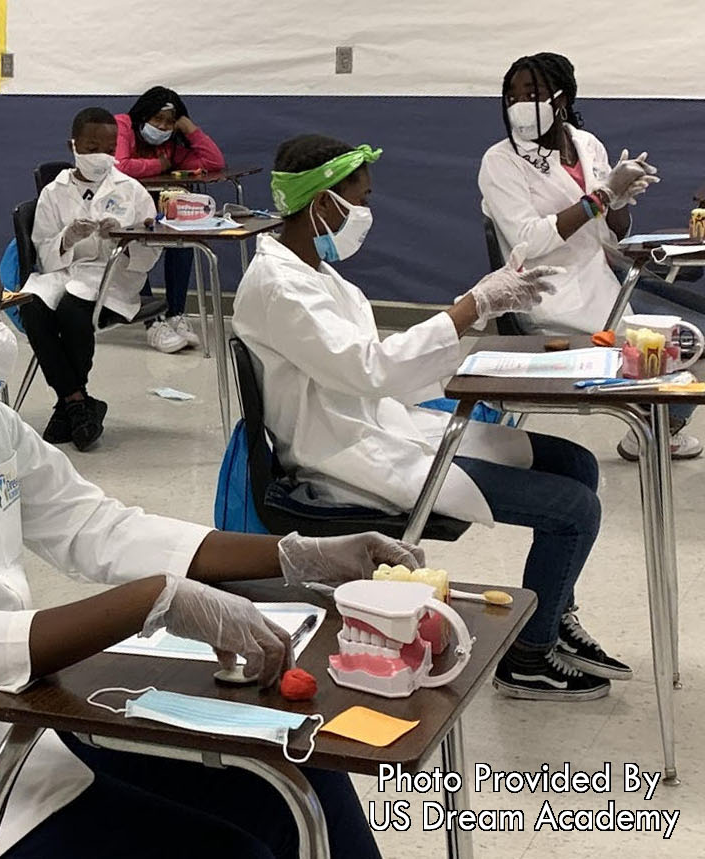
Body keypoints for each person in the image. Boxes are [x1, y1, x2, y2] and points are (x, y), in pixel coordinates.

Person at [0, 195, 420, 859]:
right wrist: (153, 601)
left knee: (298, 780)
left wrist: (298, 556)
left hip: (10, 709)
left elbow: (97, 526)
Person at [236, 133, 630, 702]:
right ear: (323, 202)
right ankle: (527, 658)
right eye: (361, 199)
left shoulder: (315, 272)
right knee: (574, 509)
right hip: (345, 455)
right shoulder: (280, 287)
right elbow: (369, 369)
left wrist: (476, 317)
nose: (367, 212)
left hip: (385, 427)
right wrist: (474, 306)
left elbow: (376, 369)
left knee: (573, 462)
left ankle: (552, 609)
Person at [478, 52, 699, 461]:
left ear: (562, 98)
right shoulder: (500, 161)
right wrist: (600, 197)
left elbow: (609, 234)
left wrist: (620, 201)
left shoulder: (587, 145)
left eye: (533, 92)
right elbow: (529, 239)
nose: (520, 104)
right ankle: (653, 427)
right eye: (512, 96)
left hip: (603, 279)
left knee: (697, 331)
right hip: (551, 294)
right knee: (684, 342)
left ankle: (660, 426)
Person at [19, 107, 158, 450]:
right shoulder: (54, 191)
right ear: (73, 146)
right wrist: (67, 238)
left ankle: (70, 404)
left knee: (70, 310)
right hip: (64, 270)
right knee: (33, 307)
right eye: (92, 146)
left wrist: (125, 240)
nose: (101, 156)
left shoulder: (132, 190)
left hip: (110, 275)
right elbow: (42, 248)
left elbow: (151, 251)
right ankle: (77, 401)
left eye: (110, 149)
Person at [115, 86, 227, 353]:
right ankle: (152, 323)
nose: (163, 127)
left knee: (184, 238)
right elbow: (120, 165)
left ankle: (176, 314)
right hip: (119, 208)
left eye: (169, 122)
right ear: (143, 115)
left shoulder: (170, 145)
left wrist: (189, 128)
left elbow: (214, 162)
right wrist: (160, 166)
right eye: (157, 120)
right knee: (136, 247)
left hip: (157, 206)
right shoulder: (123, 125)